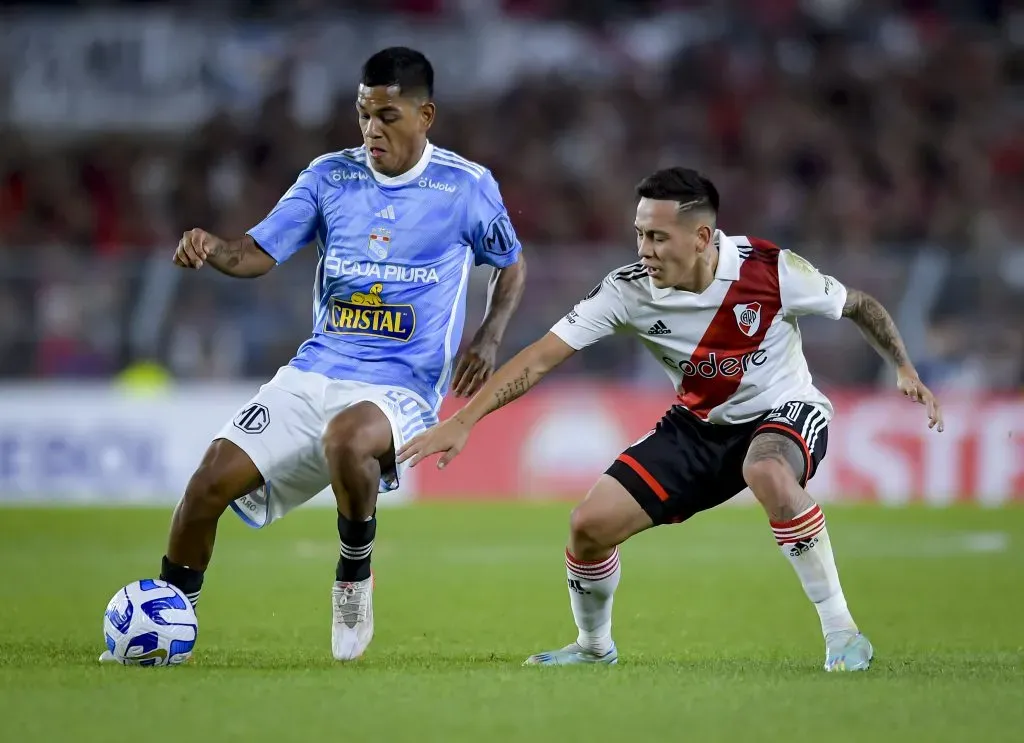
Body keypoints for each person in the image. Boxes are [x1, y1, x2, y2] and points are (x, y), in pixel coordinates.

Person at [397, 167, 943, 672]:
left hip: (784, 410)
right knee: (588, 528)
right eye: (640, 233)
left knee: (768, 472)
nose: (644, 248)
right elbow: (542, 356)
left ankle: (842, 634)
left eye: (657, 237)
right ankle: (593, 648)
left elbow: (861, 305)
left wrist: (903, 367)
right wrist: (466, 419)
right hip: (698, 426)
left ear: (702, 238)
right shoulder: (628, 290)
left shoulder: (771, 269)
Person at [103, 47, 526, 663]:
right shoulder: (329, 176)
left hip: (401, 386)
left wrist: (487, 337)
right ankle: (169, 617)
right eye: (363, 114)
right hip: (314, 370)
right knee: (206, 485)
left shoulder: (465, 186)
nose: (371, 129)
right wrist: (214, 248)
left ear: (425, 115)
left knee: (348, 439)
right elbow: (256, 253)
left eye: (387, 115)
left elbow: (510, 263)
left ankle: (354, 573)